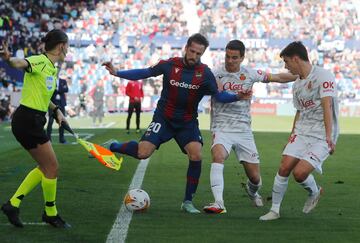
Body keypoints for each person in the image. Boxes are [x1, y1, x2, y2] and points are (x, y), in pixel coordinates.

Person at [102, 33, 247, 213]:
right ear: (186, 48)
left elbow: (219, 95)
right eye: (192, 51)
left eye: (198, 54)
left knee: (196, 155)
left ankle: (187, 201)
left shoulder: (205, 73)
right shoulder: (169, 64)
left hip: (187, 122)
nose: (194, 56)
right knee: (142, 153)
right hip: (164, 118)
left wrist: (237, 97)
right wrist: (117, 73)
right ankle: (114, 146)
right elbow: (145, 72)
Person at [202, 40, 297, 214]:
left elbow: (277, 77)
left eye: (234, 58)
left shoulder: (250, 74)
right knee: (218, 156)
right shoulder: (214, 74)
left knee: (255, 178)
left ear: (242, 58)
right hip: (221, 127)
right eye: (227, 56)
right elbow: (218, 96)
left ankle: (253, 192)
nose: (230, 61)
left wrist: (300, 75)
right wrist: (238, 96)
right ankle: (218, 202)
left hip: (244, 131)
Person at [259, 41, 339, 221]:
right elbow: (299, 111)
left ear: (296, 59)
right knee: (284, 166)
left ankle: (315, 192)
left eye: (286, 62)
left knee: (300, 173)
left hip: (321, 135)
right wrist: (291, 136)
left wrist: (329, 137)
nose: (285, 66)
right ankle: (274, 210)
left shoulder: (324, 76)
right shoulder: (296, 84)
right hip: (302, 132)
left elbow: (327, 107)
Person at [0, 29, 71, 228]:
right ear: (61, 46)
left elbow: (43, 96)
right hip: (27, 120)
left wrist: (56, 110)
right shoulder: (39, 61)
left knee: (45, 167)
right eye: (67, 45)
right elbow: (20, 63)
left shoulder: (51, 68)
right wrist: (8, 59)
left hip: (34, 120)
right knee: (52, 167)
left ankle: (13, 205)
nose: (68, 49)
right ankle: (51, 213)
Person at [46, 75, 69, 143]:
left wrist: (57, 89)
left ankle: (62, 139)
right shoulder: (50, 80)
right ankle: (48, 139)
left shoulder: (63, 81)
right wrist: (59, 90)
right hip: (53, 103)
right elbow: (50, 90)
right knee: (50, 121)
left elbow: (66, 89)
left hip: (61, 103)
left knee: (62, 122)